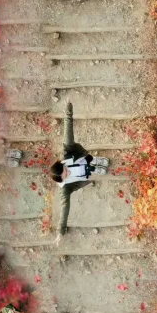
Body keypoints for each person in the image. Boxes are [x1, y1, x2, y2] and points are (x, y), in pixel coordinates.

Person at [50, 101, 108, 237]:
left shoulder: (66, 151)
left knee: (90, 159)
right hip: (83, 175)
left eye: (66, 169)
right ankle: (95, 170)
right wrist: (60, 231)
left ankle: (96, 161)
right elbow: (65, 208)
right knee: (91, 172)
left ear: (62, 163)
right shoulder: (64, 189)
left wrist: (68, 110)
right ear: (62, 180)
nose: (68, 172)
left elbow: (68, 134)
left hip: (82, 159)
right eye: (66, 175)